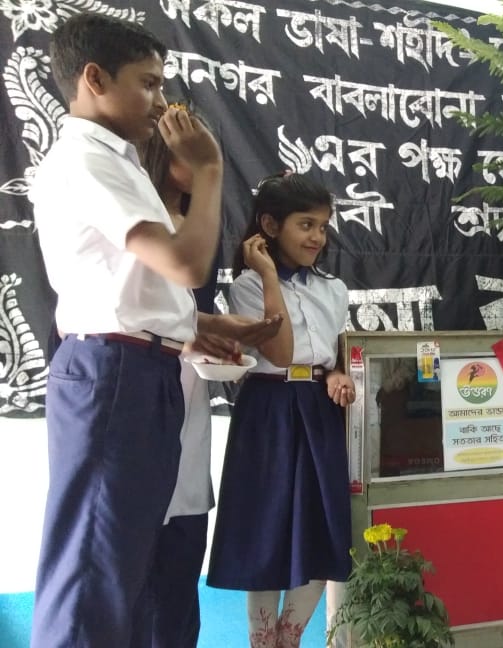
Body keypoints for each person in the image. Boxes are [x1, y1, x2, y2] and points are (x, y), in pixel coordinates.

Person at [29, 12, 231, 647]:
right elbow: (186, 264)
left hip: (138, 371)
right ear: (94, 78)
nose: (160, 101)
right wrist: (209, 172)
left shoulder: (118, 161)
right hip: (113, 375)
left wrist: (195, 325)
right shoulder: (88, 159)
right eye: (148, 83)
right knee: (93, 573)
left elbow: (130, 288)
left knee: (124, 569)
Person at [135, 109, 283, 648]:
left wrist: (213, 334)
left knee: (180, 553)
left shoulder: (198, 223)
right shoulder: (132, 217)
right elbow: (131, 311)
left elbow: (185, 311)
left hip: (189, 394)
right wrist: (201, 331)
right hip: (133, 389)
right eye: (188, 148)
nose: (202, 160)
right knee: (132, 559)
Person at [206, 172, 355, 648]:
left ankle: (289, 640)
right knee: (265, 531)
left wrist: (335, 373)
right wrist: (271, 275)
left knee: (321, 528)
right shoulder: (249, 286)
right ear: (270, 225)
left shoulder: (334, 288)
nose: (317, 237)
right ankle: (262, 642)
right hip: (267, 412)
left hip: (319, 411)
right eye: (305, 224)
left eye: (323, 226)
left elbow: (335, 353)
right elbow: (281, 352)